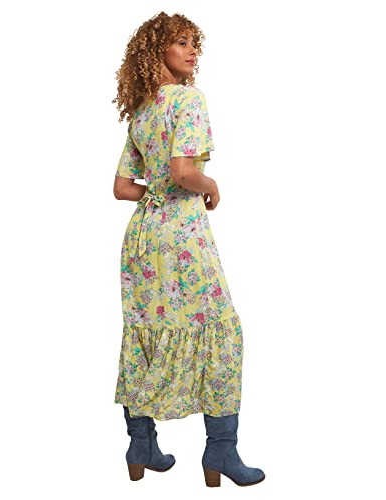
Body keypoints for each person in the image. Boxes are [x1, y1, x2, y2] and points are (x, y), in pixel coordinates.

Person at [111, 11, 265, 487]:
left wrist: (155, 193)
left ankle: (141, 446)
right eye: (181, 42)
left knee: (146, 332)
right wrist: (210, 183)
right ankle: (221, 451)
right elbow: (183, 172)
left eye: (193, 43)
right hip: (181, 234)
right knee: (222, 330)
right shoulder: (188, 100)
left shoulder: (142, 112)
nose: (192, 50)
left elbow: (122, 188)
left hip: (143, 237)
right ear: (156, 50)